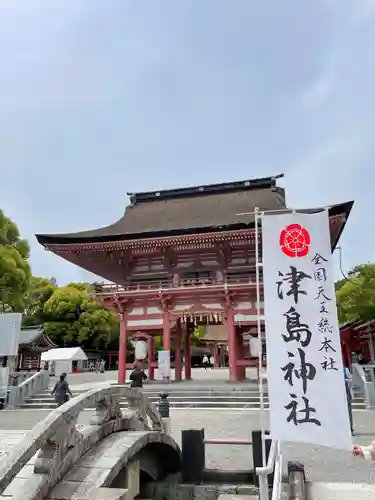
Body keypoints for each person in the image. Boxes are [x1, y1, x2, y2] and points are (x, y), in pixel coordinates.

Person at [344, 365, 355, 435]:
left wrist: (344, 380)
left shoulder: (345, 370)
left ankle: (350, 429)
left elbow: (351, 381)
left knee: (348, 413)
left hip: (346, 395)